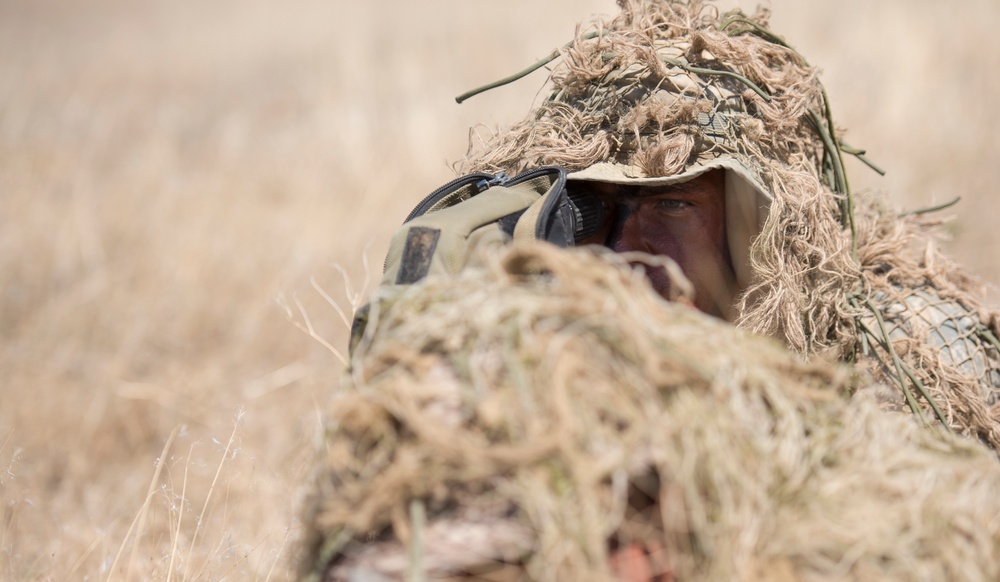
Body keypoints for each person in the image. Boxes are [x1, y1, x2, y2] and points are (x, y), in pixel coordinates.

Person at [356, 0, 1000, 451]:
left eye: (673, 205)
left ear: (761, 234)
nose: (625, 247)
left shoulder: (895, 366)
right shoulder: (549, 375)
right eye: (601, 208)